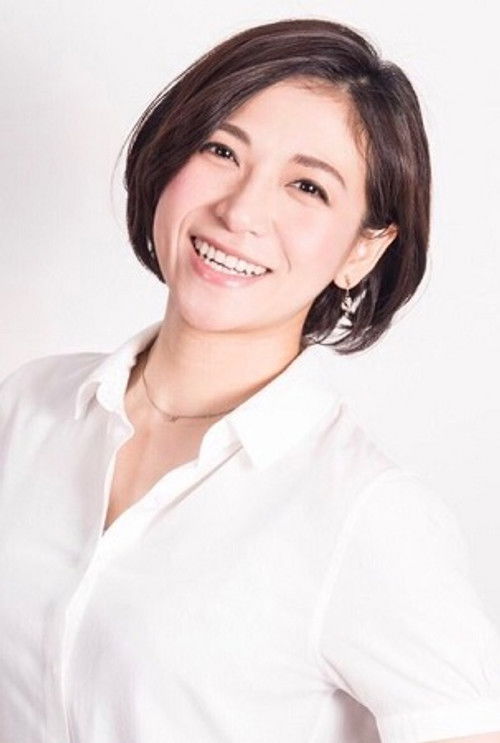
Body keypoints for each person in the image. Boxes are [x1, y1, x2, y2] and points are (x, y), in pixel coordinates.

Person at [1, 17, 500, 743]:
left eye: (307, 186)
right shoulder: (29, 406)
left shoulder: (367, 515)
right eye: (221, 150)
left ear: (363, 250)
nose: (239, 212)